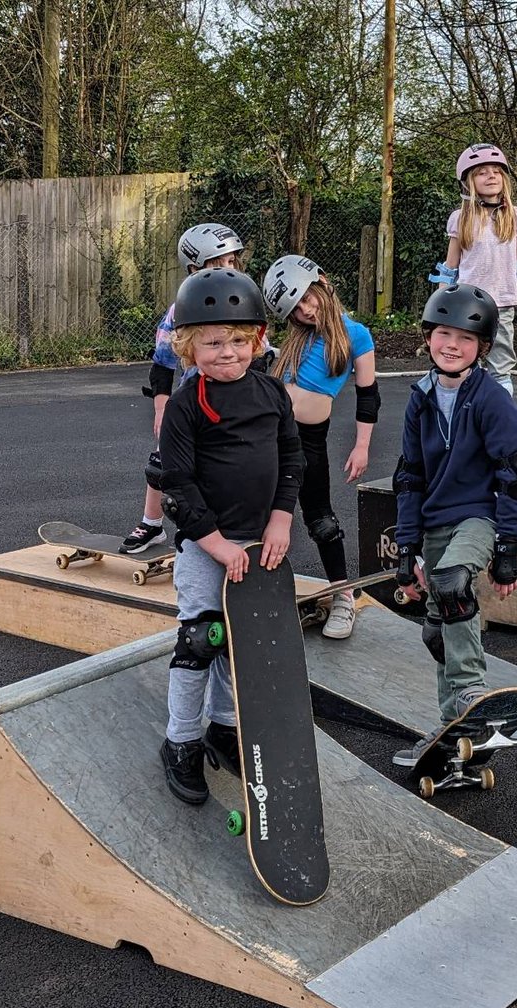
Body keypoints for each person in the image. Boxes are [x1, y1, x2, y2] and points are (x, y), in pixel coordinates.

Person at [157, 268, 303, 804]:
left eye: (239, 341)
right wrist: (214, 541)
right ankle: (181, 741)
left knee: (238, 646)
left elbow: (292, 458)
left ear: (258, 340)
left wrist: (281, 519)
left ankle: (223, 727)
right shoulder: (186, 405)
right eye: (213, 342)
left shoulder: (270, 392)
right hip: (206, 546)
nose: (227, 352)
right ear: (188, 347)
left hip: (260, 543)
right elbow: (178, 485)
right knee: (200, 641)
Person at [389, 283, 517, 765]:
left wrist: (509, 547)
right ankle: (457, 725)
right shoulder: (421, 397)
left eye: (465, 339)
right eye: (443, 334)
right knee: (436, 632)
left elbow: (513, 477)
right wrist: (406, 546)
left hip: (477, 517)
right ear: (429, 336)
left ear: (483, 348)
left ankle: (472, 691)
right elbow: (410, 476)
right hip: (433, 523)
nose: (452, 345)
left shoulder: (493, 400)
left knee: (452, 584)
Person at [120, 222, 259, 554]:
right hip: (193, 398)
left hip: (236, 397)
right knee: (160, 464)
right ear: (195, 268)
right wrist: (161, 407)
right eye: (218, 263)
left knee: (235, 465)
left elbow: (259, 353)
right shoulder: (180, 309)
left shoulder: (243, 300)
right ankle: (152, 525)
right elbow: (163, 363)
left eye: (232, 262)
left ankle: (234, 531)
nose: (228, 269)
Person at [262, 255, 381, 639]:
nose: (305, 310)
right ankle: (254, 595)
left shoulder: (355, 335)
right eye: (295, 309)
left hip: (308, 440)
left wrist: (362, 446)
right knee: (259, 514)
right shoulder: (297, 339)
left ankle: (344, 596)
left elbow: (368, 396)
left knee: (321, 519)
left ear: (323, 284)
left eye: (306, 299)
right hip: (269, 433)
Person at [430, 143, 517, 395]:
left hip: (502, 304)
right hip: (466, 306)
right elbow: (449, 269)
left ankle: (500, 417)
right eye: (482, 172)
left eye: (496, 171)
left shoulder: (516, 216)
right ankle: (465, 416)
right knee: (464, 363)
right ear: (469, 181)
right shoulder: (460, 219)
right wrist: (439, 309)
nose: (491, 176)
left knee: (500, 366)